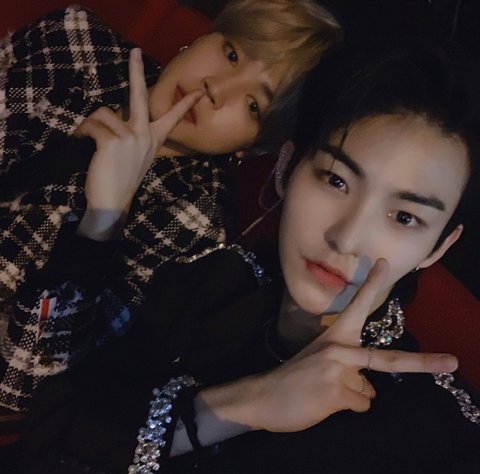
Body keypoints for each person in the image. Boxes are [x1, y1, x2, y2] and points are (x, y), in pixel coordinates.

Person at [13, 39, 480, 473]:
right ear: (285, 169)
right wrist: (246, 404)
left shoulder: (435, 426)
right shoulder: (208, 284)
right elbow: (44, 426)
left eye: (405, 217)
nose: (347, 238)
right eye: (336, 180)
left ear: (439, 246)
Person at [0, 1, 342, 411]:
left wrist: (104, 218)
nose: (216, 88)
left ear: (254, 148)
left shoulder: (192, 234)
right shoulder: (75, 41)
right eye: (232, 53)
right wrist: (66, 139)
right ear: (201, 38)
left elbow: (22, 384)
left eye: (254, 105)